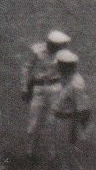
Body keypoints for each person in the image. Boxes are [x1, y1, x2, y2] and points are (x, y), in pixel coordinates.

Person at [21, 29, 72, 161]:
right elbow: (27, 67)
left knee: (52, 122)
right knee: (34, 123)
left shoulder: (64, 54)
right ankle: (29, 152)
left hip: (55, 89)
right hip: (39, 88)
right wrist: (25, 87)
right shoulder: (37, 51)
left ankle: (52, 155)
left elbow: (68, 74)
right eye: (53, 45)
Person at [52, 50, 90, 170]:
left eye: (60, 66)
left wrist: (75, 131)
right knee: (62, 157)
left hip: (69, 124)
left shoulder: (76, 85)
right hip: (61, 121)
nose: (58, 69)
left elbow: (84, 111)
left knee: (70, 158)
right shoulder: (67, 79)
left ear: (67, 67)